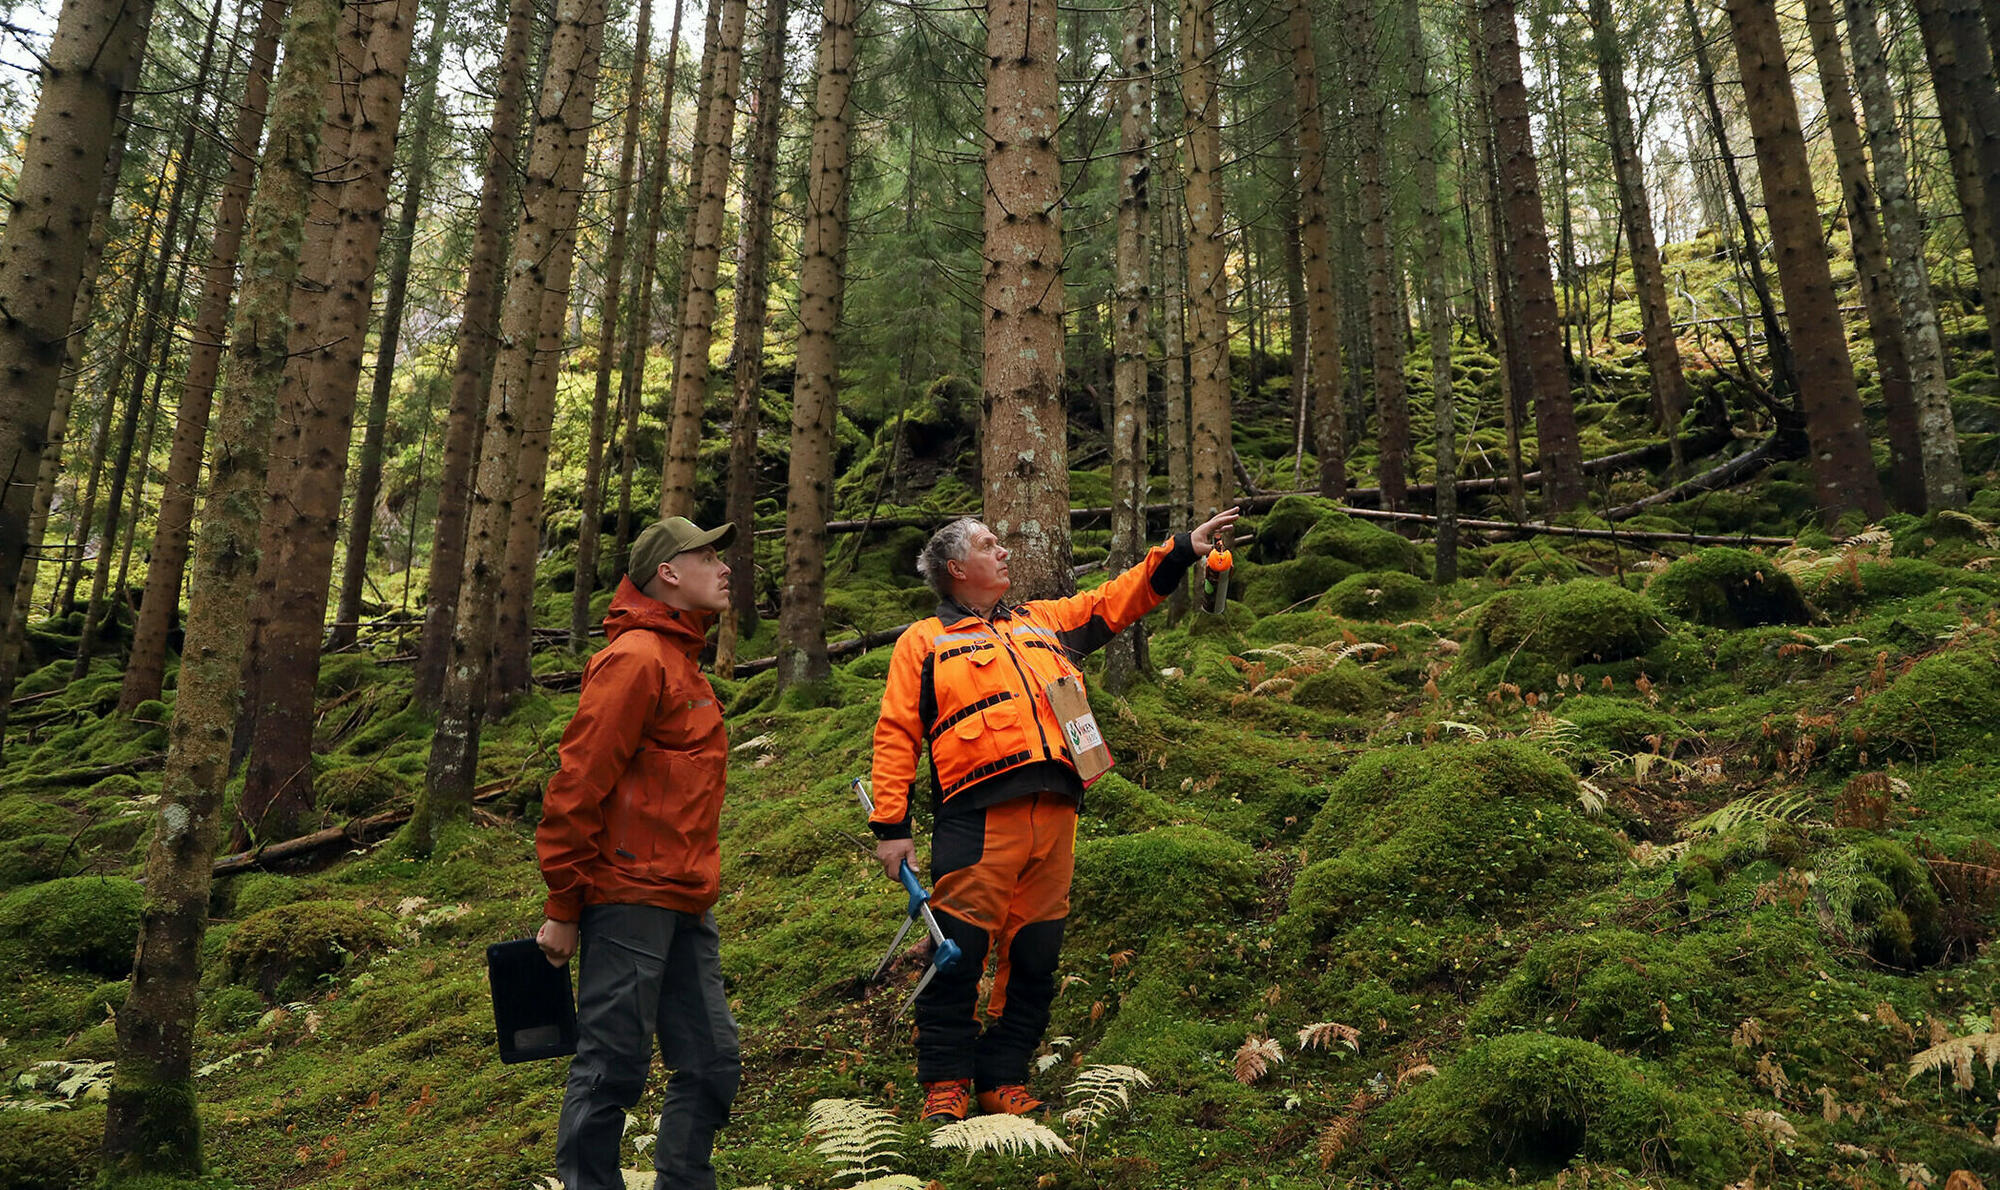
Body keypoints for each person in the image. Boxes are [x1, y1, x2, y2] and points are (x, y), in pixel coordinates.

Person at [868, 507, 1241, 1122]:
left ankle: (1003, 1076)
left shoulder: (1044, 620)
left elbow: (1115, 600)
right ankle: (945, 1080)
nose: (1004, 551)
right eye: (990, 545)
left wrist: (1180, 551)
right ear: (957, 568)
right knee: (957, 945)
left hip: (1059, 807)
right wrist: (891, 827)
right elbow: (896, 733)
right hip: (977, 814)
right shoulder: (923, 642)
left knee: (1036, 952)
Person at [534, 515, 742, 1190]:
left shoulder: (679, 662)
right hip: (626, 898)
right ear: (668, 574)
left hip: (685, 899)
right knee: (613, 1066)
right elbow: (576, 784)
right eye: (707, 556)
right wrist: (564, 905)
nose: (724, 567)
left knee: (711, 1060)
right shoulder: (636, 661)